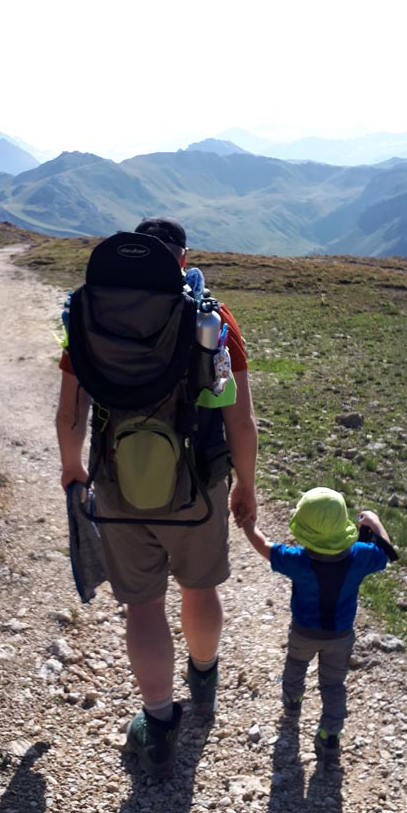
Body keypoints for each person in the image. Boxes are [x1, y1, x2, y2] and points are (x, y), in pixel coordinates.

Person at [56, 217, 258, 777]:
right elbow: (239, 418)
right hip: (198, 484)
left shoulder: (90, 314)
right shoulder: (211, 317)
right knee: (199, 586)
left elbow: (70, 411)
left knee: (143, 606)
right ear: (184, 258)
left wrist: (74, 471)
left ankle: (159, 721)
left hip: (118, 483)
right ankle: (204, 676)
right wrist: (247, 485)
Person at [240, 487, 393, 762]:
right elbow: (385, 552)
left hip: (303, 632)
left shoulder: (299, 560)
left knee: (296, 666)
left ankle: (292, 701)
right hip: (341, 636)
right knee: (333, 685)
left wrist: (248, 524)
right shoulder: (359, 555)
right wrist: (374, 521)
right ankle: (330, 735)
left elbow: (264, 547)